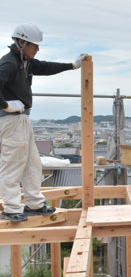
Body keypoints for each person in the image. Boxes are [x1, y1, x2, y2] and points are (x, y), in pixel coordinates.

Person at [0, 24, 87, 222]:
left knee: (32, 163)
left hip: (21, 119)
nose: (37, 49)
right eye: (34, 45)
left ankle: (34, 204)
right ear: (21, 43)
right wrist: (5, 105)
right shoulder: (9, 63)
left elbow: (46, 67)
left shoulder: (25, 61)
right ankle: (11, 208)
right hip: (10, 120)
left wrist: (72, 65)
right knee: (12, 164)